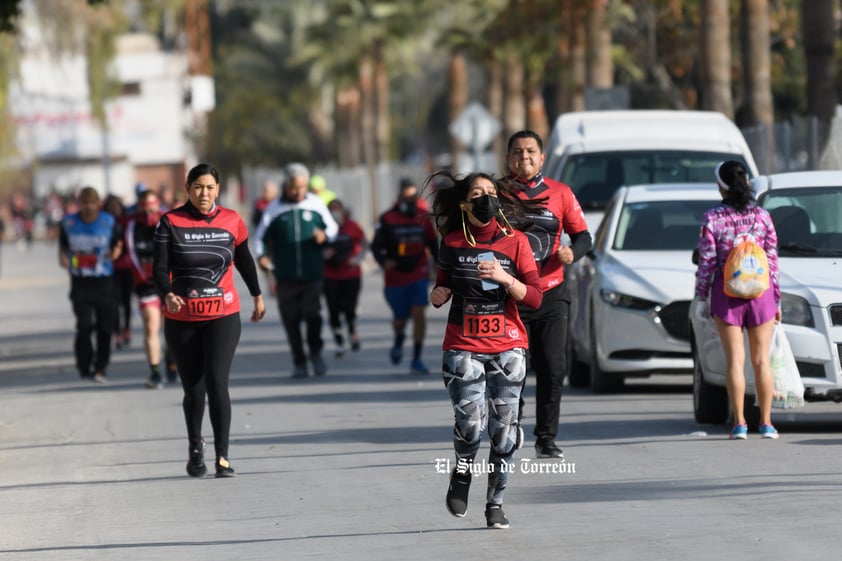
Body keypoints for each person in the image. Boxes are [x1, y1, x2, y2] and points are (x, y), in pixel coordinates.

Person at [429, 170, 544, 529]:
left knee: (505, 428)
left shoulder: (517, 243)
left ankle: (496, 502)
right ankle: (463, 473)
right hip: (462, 344)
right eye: (478, 193)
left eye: (491, 192)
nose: (486, 198)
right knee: (470, 425)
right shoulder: (451, 242)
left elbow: (536, 297)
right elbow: (441, 286)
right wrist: (438, 295)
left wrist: (506, 279)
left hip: (508, 344)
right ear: (465, 204)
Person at [153, 163, 265, 478]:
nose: (204, 193)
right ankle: (194, 447)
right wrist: (167, 294)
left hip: (223, 314)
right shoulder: (170, 222)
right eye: (198, 187)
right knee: (194, 388)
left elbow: (244, 259)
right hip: (182, 317)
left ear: (218, 189)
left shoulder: (232, 220)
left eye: (210, 187)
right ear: (188, 189)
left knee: (217, 381)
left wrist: (256, 294)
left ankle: (223, 455)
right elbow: (159, 268)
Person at [506, 130, 592, 459]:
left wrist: (574, 252)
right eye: (517, 151)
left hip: (552, 293)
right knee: (513, 369)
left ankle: (546, 437)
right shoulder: (498, 194)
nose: (523, 157)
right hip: (511, 295)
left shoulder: (561, 193)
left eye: (530, 151)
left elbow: (584, 238)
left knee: (554, 367)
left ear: (542, 158)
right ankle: (511, 428)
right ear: (508, 157)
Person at [694, 160, 781, 440]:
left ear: (722, 186)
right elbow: (772, 261)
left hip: (726, 292)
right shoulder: (763, 216)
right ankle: (767, 423)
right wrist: (776, 299)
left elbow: (706, 261)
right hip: (761, 293)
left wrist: (700, 296)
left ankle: (740, 423)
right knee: (761, 360)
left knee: (735, 360)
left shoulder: (713, 218)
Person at [255, 163, 338, 378]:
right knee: (290, 321)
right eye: (294, 187)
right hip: (285, 277)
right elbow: (259, 238)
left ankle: (316, 354)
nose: (298, 192)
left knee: (313, 316)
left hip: (312, 274)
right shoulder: (273, 209)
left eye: (302, 187)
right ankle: (299, 360)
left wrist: (325, 236)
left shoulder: (316, 204)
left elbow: (333, 228)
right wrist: (262, 256)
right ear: (286, 185)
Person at [371, 177, 439, 375]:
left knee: (419, 313)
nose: (409, 202)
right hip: (395, 277)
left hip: (418, 273)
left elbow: (433, 244)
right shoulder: (387, 218)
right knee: (400, 318)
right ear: (399, 196)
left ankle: (416, 358)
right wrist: (384, 262)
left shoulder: (423, 217)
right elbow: (376, 247)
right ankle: (399, 338)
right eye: (405, 197)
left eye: (413, 198)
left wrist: (439, 265)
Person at [58, 187, 123, 382]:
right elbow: (63, 247)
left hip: (105, 282)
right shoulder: (68, 222)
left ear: (98, 203)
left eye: (91, 203)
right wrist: (64, 259)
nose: (88, 207)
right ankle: (84, 365)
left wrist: (116, 252)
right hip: (81, 283)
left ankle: (101, 367)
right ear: (79, 204)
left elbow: (117, 243)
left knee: (105, 328)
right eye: (84, 203)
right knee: (85, 325)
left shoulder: (108, 222)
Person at [124, 189, 177, 389]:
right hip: (145, 284)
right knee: (150, 325)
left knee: (170, 328)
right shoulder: (131, 226)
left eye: (152, 209)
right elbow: (127, 250)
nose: (148, 214)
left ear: (159, 205)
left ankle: (172, 363)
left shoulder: (168, 222)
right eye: (144, 209)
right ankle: (155, 372)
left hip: (169, 284)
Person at [323, 198, 367, 356]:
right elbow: (315, 246)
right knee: (333, 308)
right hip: (330, 275)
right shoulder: (323, 228)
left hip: (350, 274)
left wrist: (357, 259)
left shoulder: (352, 226)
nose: (335, 212)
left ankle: (352, 331)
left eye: (337, 209)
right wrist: (324, 254)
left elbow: (364, 243)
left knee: (350, 307)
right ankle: (339, 340)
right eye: (331, 209)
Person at [104, 194, 134, 349]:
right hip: (111, 269)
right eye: (110, 206)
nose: (114, 208)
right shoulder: (103, 223)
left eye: (116, 205)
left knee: (127, 301)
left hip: (127, 267)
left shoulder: (128, 221)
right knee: (114, 303)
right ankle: (117, 333)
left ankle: (127, 328)